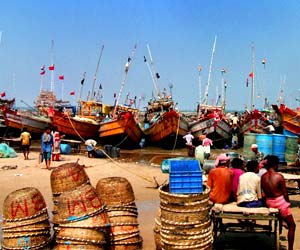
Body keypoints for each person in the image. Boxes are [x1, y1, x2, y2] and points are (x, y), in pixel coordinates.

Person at [261, 155, 296, 250]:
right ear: (275, 165)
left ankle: (282, 220)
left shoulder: (263, 177)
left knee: (281, 210)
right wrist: (288, 203)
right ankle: (291, 248)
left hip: (269, 202)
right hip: (279, 202)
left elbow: (264, 192)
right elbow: (285, 193)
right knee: (292, 225)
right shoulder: (279, 176)